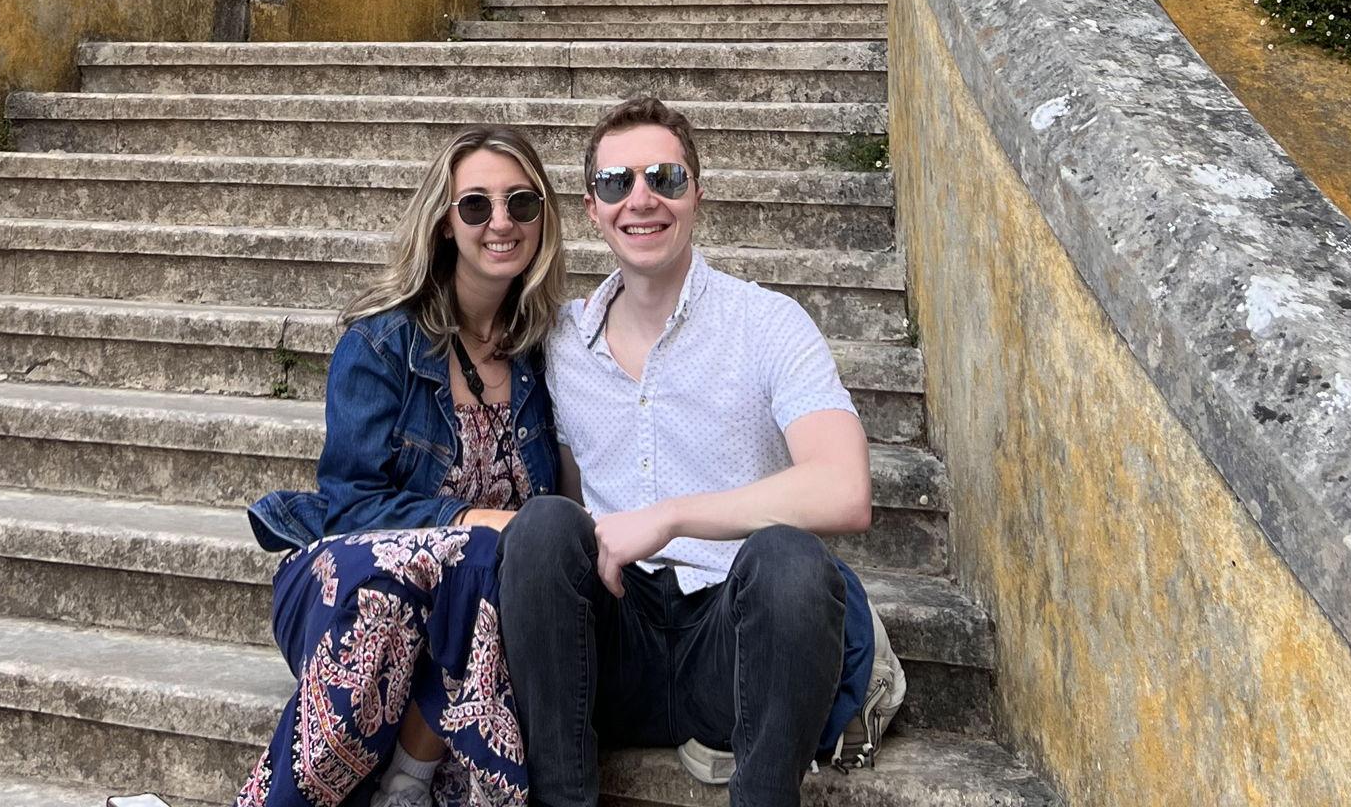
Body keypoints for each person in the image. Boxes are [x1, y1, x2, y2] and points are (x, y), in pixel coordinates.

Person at [499, 96, 892, 807]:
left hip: (735, 644)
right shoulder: (561, 341)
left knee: (791, 560)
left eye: (664, 179)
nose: (640, 200)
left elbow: (844, 488)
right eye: (617, 183)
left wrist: (671, 517)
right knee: (544, 527)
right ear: (592, 208)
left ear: (697, 194)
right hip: (620, 647)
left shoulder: (768, 323)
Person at [237, 127, 569, 807]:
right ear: (445, 223)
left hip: (484, 608)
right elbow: (351, 505)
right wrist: (478, 522)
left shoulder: (550, 351)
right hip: (359, 586)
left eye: (521, 204)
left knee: (497, 568)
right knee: (478, 554)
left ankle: (407, 784)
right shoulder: (381, 341)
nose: (500, 223)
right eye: (475, 205)